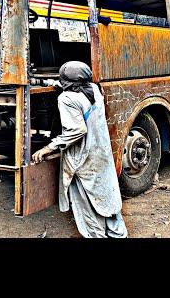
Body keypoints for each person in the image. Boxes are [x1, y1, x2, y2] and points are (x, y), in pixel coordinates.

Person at [32, 61, 128, 238]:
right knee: (108, 201)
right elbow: (70, 87)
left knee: (89, 212)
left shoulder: (66, 99)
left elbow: (77, 130)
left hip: (83, 162)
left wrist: (48, 147)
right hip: (101, 157)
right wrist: (49, 83)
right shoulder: (94, 90)